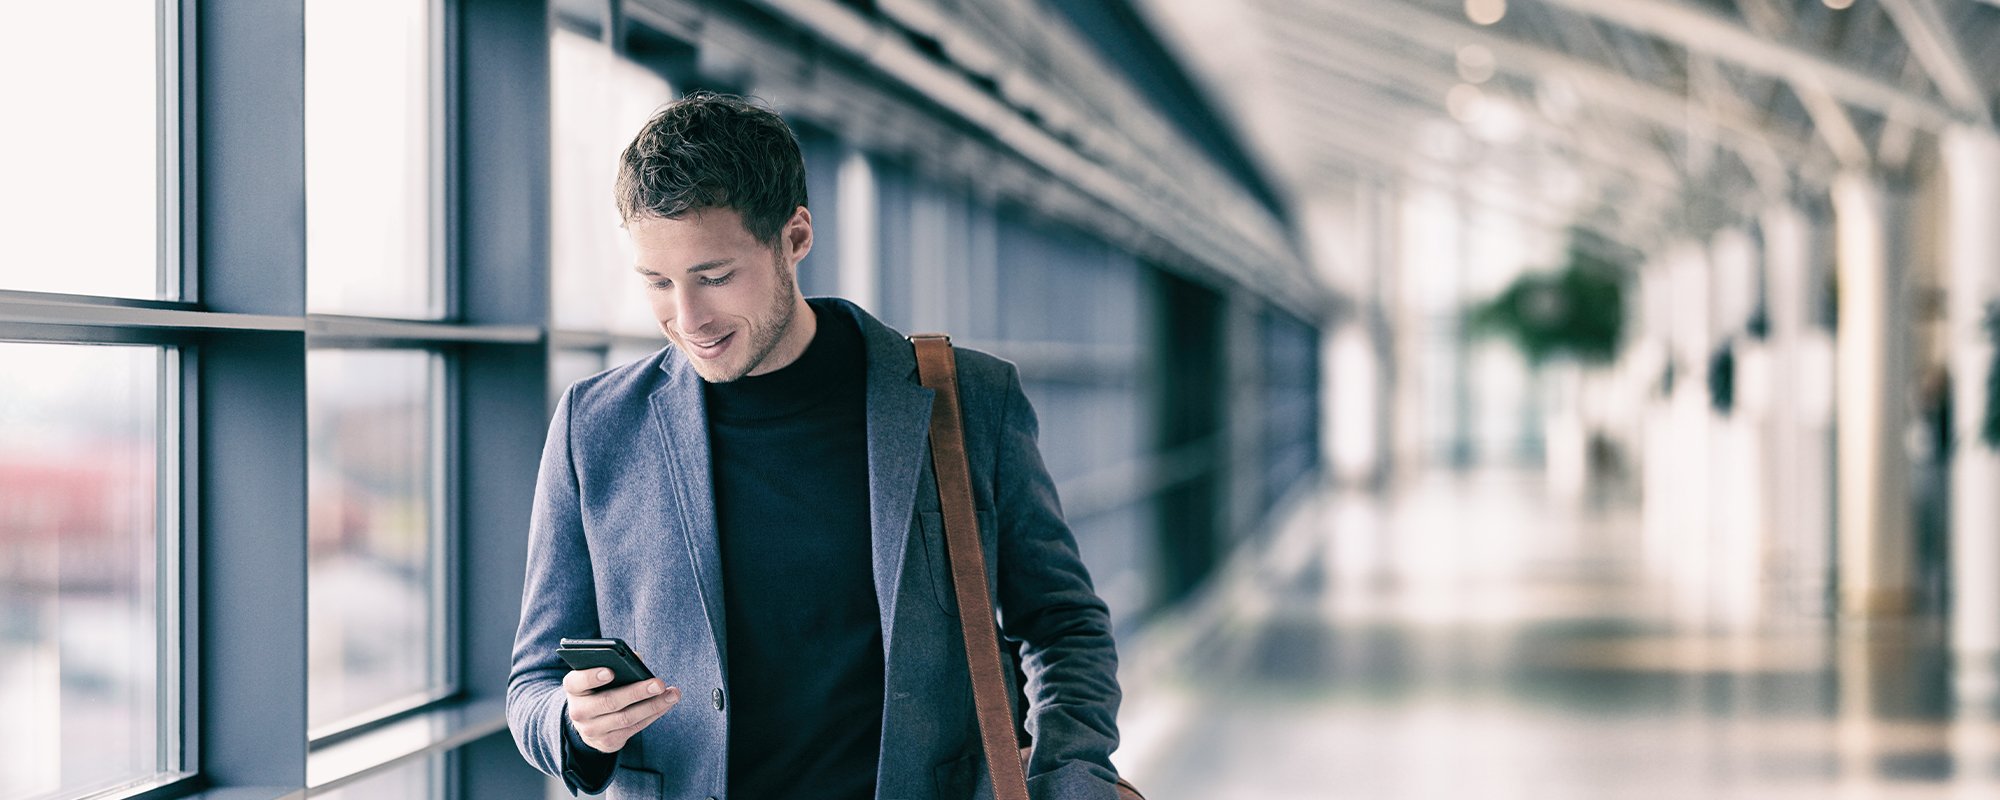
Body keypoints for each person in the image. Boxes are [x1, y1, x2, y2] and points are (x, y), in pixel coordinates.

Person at [505, 91, 1125, 800]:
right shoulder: (596, 427)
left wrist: (1071, 779)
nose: (688, 317)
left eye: (714, 277)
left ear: (795, 237)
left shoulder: (968, 400)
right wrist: (576, 723)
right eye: (658, 283)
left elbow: (1064, 624)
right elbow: (532, 686)